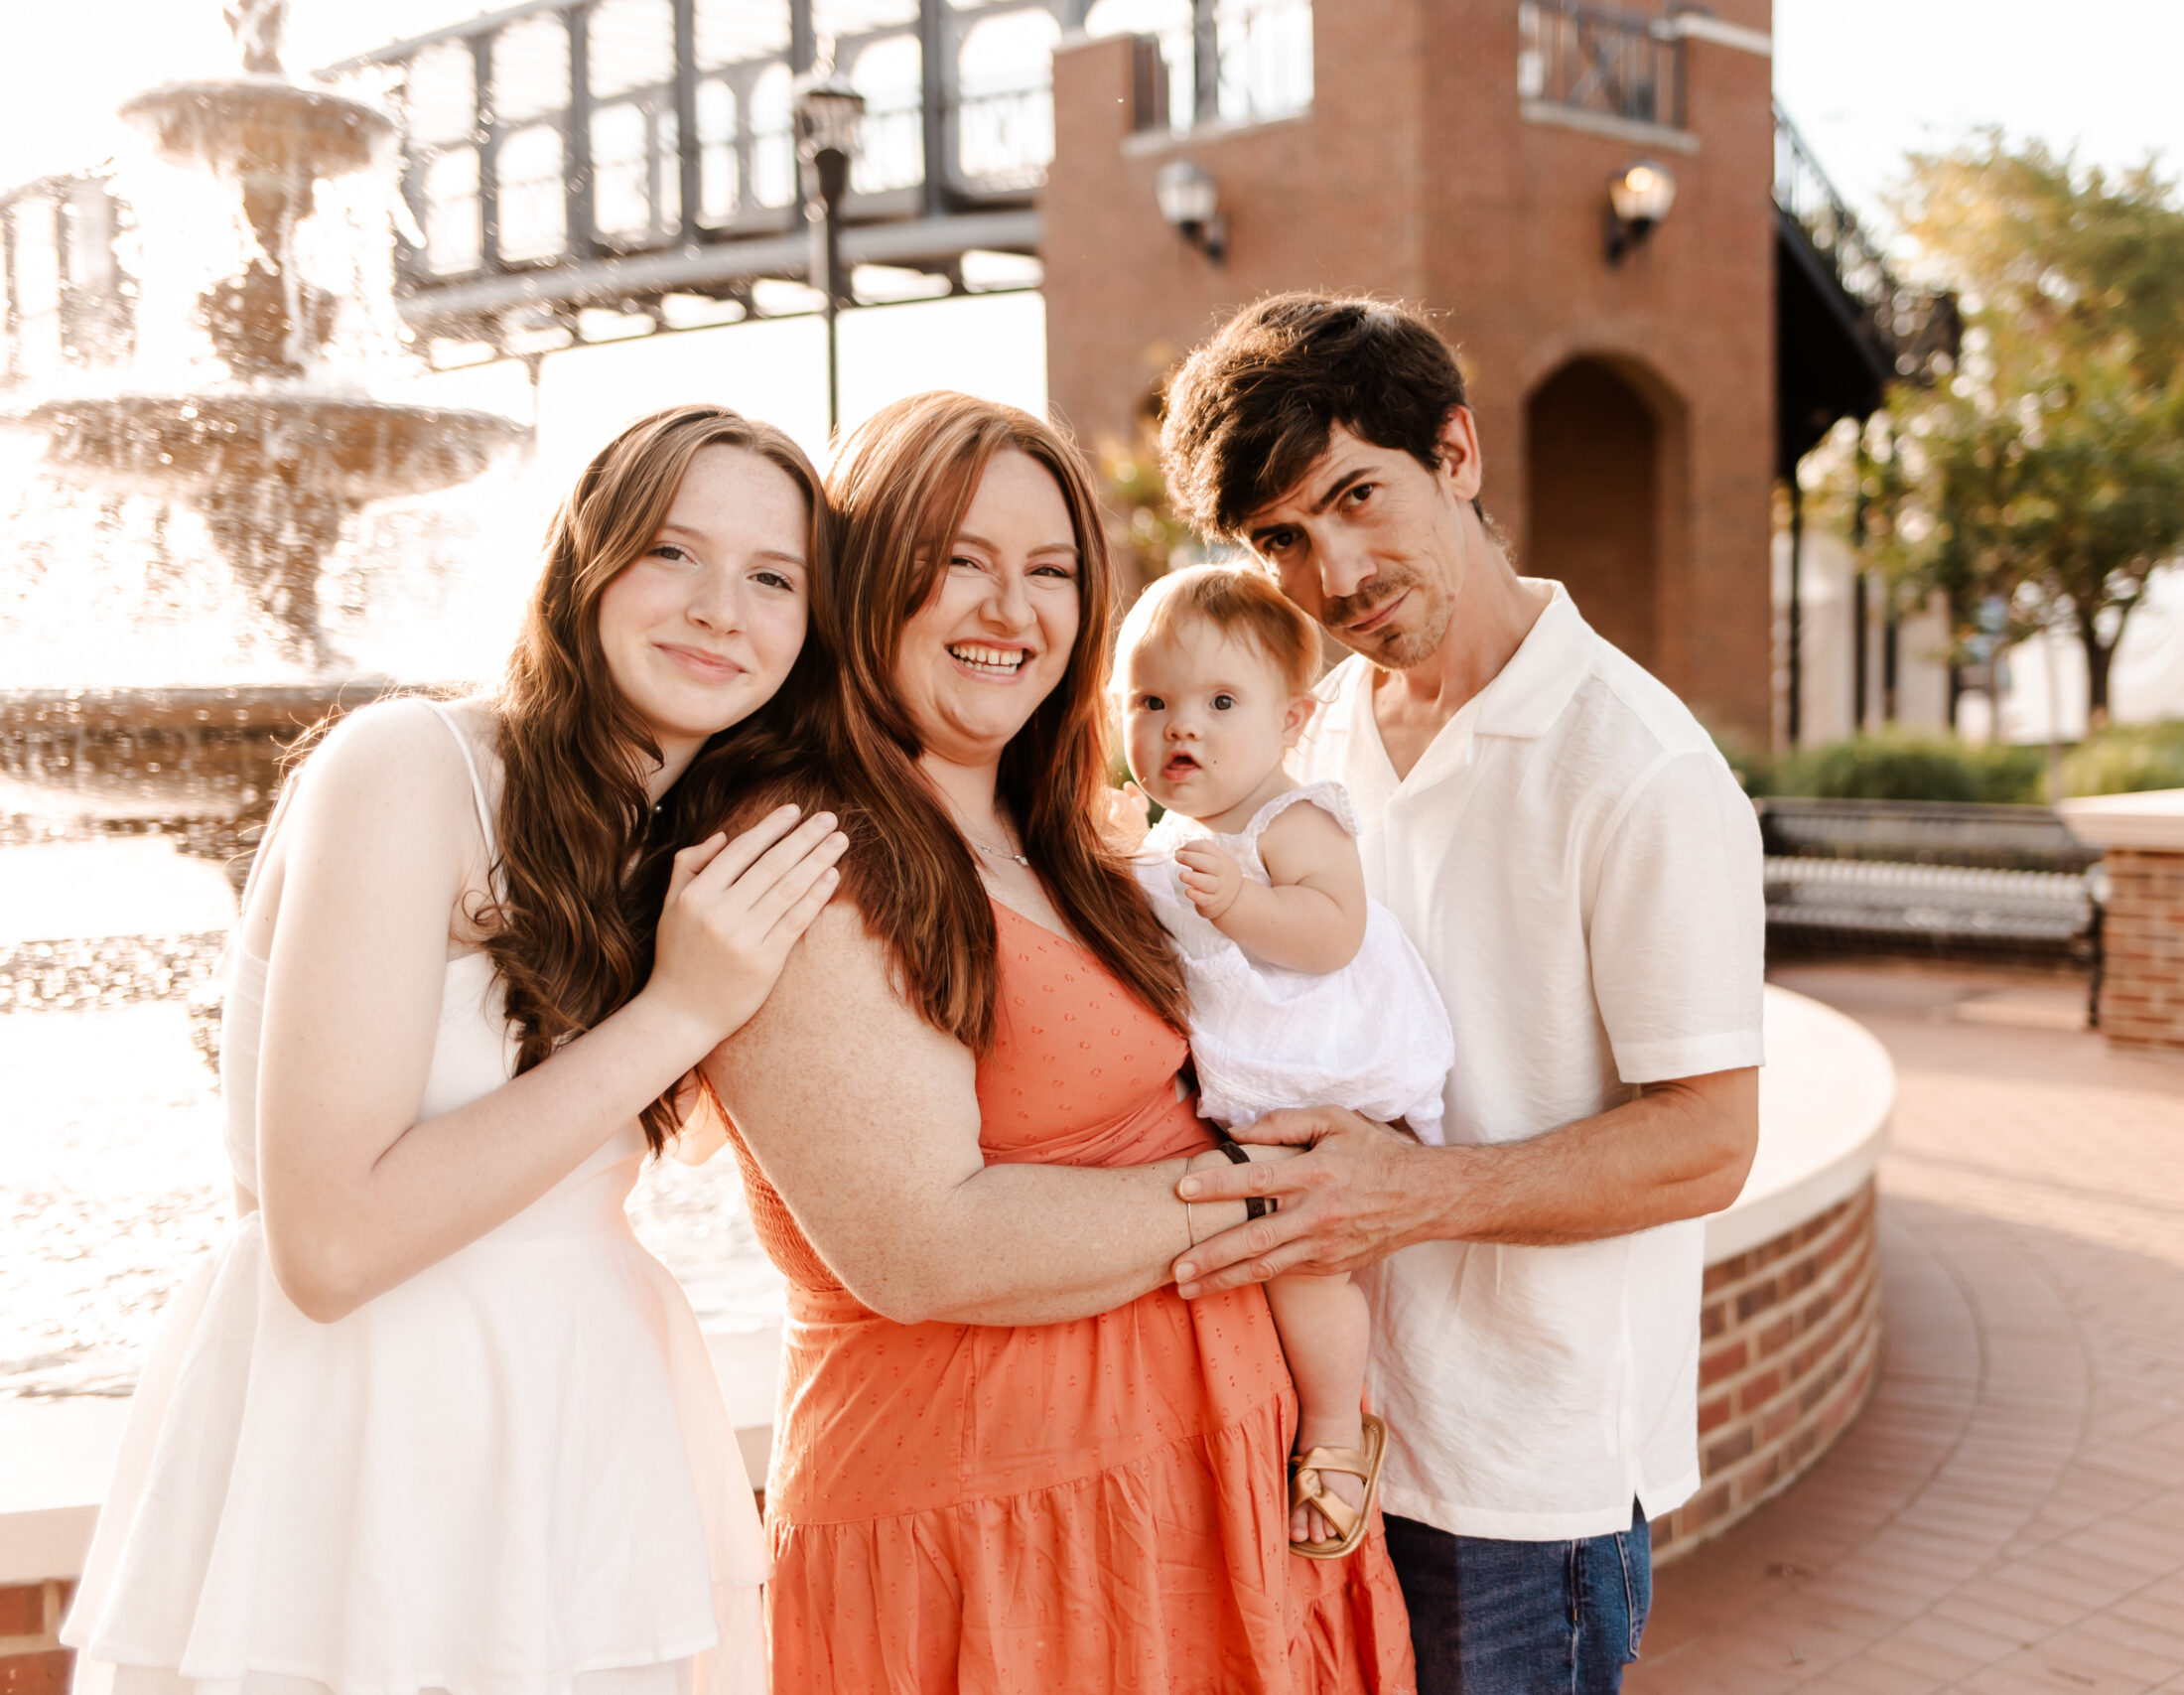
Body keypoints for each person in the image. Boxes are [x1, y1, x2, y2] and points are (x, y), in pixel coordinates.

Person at [64, 405, 851, 1695]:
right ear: (584, 564)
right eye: (673, 551)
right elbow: (329, 1245)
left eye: (775, 578)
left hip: (581, 1424)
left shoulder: (685, 845)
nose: (723, 607)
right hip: (357, 1427)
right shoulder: (410, 767)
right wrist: (678, 1009)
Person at [689, 390, 1416, 1693]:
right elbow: (923, 1242)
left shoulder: (1067, 830)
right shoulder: (804, 844)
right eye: (956, 559)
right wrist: (1278, 1190)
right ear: (863, 577)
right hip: (1006, 1538)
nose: (1009, 611)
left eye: (1049, 571)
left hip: (1216, 1485)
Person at [1160, 295, 1766, 1695]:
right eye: (1282, 540)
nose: (1337, 569)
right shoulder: (1309, 733)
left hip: (1517, 1480)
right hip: (1336, 1427)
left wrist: (1411, 1194)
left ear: (1459, 453)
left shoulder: (1642, 768)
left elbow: (1709, 1139)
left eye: (1359, 496)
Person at [1112, 565, 1454, 1557]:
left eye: (1221, 703)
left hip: (1328, 1084)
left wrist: (1240, 904)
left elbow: (1331, 933)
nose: (1184, 728)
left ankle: (1338, 1434)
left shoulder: (1290, 821)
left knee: (1305, 1272)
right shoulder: (1177, 834)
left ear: (1292, 720)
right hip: (1254, 1090)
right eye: (1153, 702)